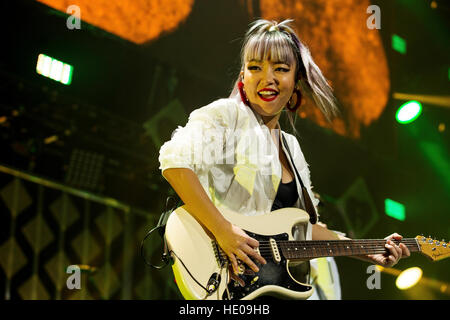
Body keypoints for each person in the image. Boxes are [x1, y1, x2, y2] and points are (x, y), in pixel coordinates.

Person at [158, 19, 410, 290]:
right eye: (255, 68)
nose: (268, 79)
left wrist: (367, 250)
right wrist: (222, 229)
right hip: (224, 274)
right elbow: (175, 163)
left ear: (296, 78)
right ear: (243, 76)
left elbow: (302, 228)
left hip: (264, 284)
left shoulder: (292, 149)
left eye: (280, 68)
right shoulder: (227, 116)